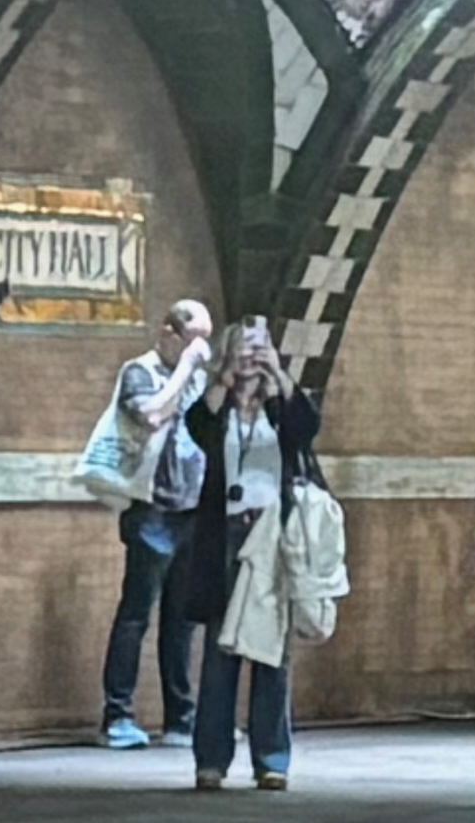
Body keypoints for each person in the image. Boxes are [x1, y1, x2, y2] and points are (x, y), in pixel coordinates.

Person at [175, 318, 327, 796]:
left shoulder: (279, 411)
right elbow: (197, 425)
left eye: (260, 347)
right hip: (226, 539)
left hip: (272, 536)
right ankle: (212, 761)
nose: (252, 356)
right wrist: (224, 379)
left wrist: (278, 374)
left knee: (273, 656)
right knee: (222, 655)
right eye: (245, 347)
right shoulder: (218, 411)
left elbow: (308, 428)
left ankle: (272, 759)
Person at [95, 295, 214, 750]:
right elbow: (151, 415)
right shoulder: (139, 372)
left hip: (192, 510)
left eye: (205, 343)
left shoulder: (199, 379)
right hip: (152, 510)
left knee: (182, 620)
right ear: (169, 332)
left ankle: (181, 718)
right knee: (135, 615)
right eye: (192, 341)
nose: (199, 352)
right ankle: (117, 716)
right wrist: (186, 370)